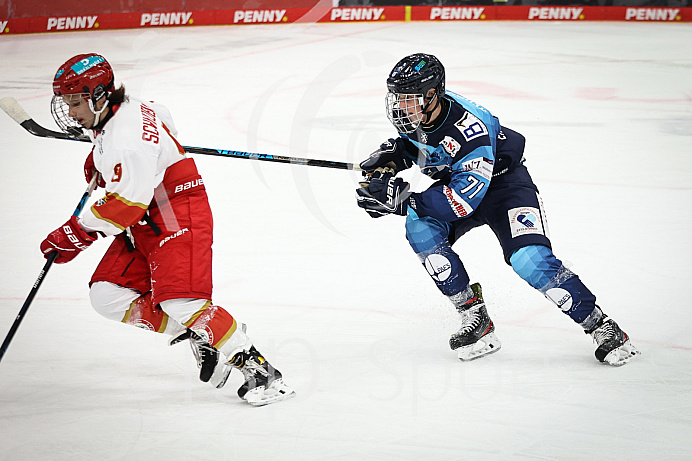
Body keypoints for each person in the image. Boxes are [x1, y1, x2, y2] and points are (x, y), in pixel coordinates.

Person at [40, 53, 295, 405]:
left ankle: (264, 374)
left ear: (98, 94)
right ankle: (202, 333)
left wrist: (75, 233)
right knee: (107, 295)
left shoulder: (127, 139)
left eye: (75, 102)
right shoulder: (125, 107)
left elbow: (125, 205)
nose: (70, 112)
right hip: (147, 215)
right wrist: (105, 159)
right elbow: (162, 116)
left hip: (175, 212)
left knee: (182, 301)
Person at [356, 53, 640, 366]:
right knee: (419, 227)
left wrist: (402, 201)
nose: (400, 107)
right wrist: (394, 156)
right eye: (397, 99)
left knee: (529, 261)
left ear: (432, 95)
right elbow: (423, 147)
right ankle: (475, 318)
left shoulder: (470, 128)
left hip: (505, 189)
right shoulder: (421, 115)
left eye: (407, 99)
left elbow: (461, 203)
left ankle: (600, 324)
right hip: (461, 182)